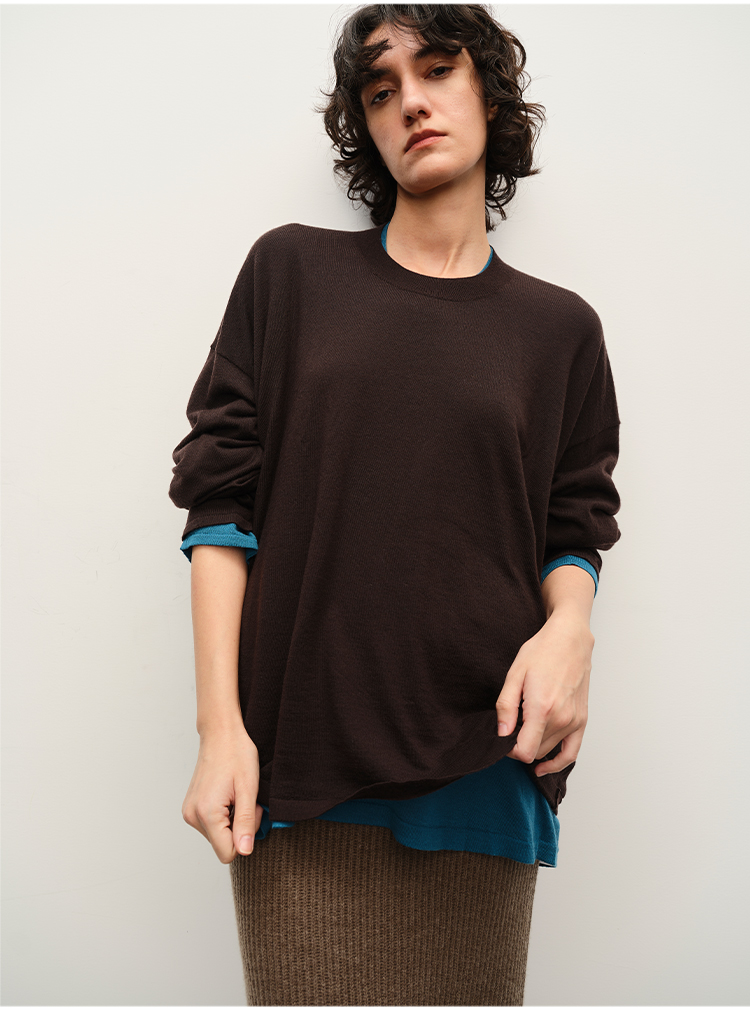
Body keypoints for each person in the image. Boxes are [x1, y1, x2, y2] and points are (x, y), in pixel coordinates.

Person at [168, 4, 622, 1005]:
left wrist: (572, 630)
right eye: (381, 91)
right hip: (302, 771)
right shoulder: (291, 273)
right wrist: (220, 729)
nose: (410, 101)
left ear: (488, 92)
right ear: (365, 128)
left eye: (437, 70)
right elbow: (218, 502)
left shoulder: (561, 332)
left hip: (485, 770)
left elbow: (575, 520)